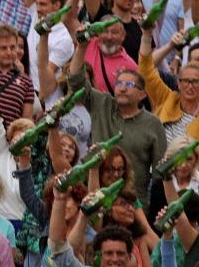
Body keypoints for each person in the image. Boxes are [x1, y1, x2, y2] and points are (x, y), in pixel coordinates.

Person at [68, 30, 166, 199]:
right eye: (119, 83)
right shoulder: (101, 103)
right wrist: (81, 48)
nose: (122, 87)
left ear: (142, 94)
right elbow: (76, 81)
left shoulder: (153, 124)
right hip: (95, 198)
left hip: (132, 204)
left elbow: (160, 174)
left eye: (129, 84)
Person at [46, 181, 152, 267]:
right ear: (98, 256)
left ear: (129, 257)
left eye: (120, 253)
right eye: (108, 253)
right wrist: (59, 199)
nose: (115, 258)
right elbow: (58, 248)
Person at [140, 24, 199, 140]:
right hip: (158, 155)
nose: (190, 86)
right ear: (178, 83)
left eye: (195, 82)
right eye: (186, 81)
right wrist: (147, 36)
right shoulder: (167, 98)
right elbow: (145, 71)